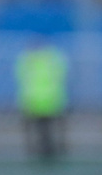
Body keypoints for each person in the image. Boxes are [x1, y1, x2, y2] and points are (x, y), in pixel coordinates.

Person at [14, 35, 68, 163]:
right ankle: (49, 152)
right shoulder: (53, 58)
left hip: (39, 101)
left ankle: (43, 152)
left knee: (42, 130)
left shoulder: (28, 59)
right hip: (47, 100)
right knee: (46, 130)